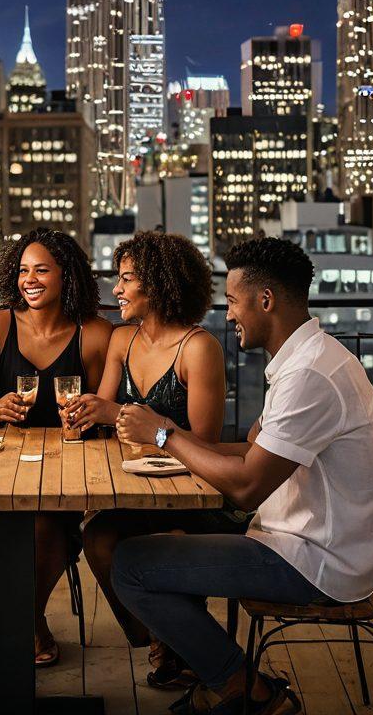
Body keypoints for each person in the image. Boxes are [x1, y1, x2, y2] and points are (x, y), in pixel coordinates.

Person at [110, 237, 373, 715]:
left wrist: (163, 435)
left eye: (234, 302)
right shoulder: (307, 359)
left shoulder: (309, 377)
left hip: (316, 561)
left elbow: (245, 485)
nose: (228, 315)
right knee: (147, 543)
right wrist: (178, 448)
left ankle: (249, 692)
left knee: (131, 565)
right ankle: (223, 677)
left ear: (266, 301)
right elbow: (252, 452)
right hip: (306, 539)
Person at [67, 230, 244, 690]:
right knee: (98, 538)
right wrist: (83, 413)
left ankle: (178, 648)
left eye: (127, 279)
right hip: (137, 487)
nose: (117, 290)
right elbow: (101, 414)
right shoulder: (123, 340)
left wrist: (120, 416)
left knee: (150, 540)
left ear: (160, 284)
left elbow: (203, 444)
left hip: (193, 497)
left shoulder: (198, 348)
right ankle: (161, 638)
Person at [0, 228, 112, 667]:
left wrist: (88, 414)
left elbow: (106, 410)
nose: (30, 279)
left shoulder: (95, 333)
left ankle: (26, 619)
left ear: (67, 276)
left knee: (47, 528)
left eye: (42, 270)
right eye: (24, 270)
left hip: (64, 472)